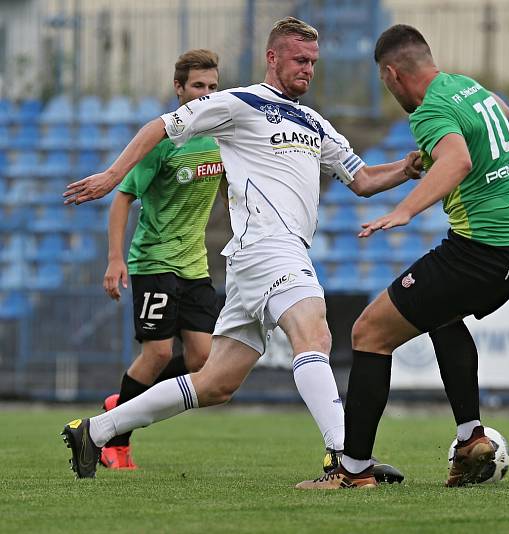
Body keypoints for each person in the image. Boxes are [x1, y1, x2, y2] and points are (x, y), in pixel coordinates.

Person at [60, 17, 415, 482]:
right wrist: (112, 175)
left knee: (215, 383)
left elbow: (363, 179)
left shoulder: (315, 122)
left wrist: (408, 167)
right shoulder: (239, 103)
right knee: (315, 336)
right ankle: (346, 459)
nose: (308, 69)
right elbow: (161, 127)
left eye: (313, 61)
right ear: (272, 58)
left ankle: (97, 430)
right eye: (299, 60)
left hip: (263, 257)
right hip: (268, 246)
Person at [296, 24, 509, 490]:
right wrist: (435, 155)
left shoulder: (430, 110)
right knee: (442, 315)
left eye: (384, 82)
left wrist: (405, 210)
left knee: (369, 332)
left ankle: (352, 472)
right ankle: (472, 439)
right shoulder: (468, 89)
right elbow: (503, 113)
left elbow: (458, 161)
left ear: (392, 74)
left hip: (484, 249)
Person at [97, 49, 225, 471]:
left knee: (203, 361)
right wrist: (115, 260)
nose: (206, 95)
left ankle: (126, 399)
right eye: (197, 87)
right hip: (154, 262)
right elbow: (122, 199)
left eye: (212, 87)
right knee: (155, 353)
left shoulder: (224, 137)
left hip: (195, 266)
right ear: (179, 88)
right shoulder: (162, 142)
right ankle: (114, 440)